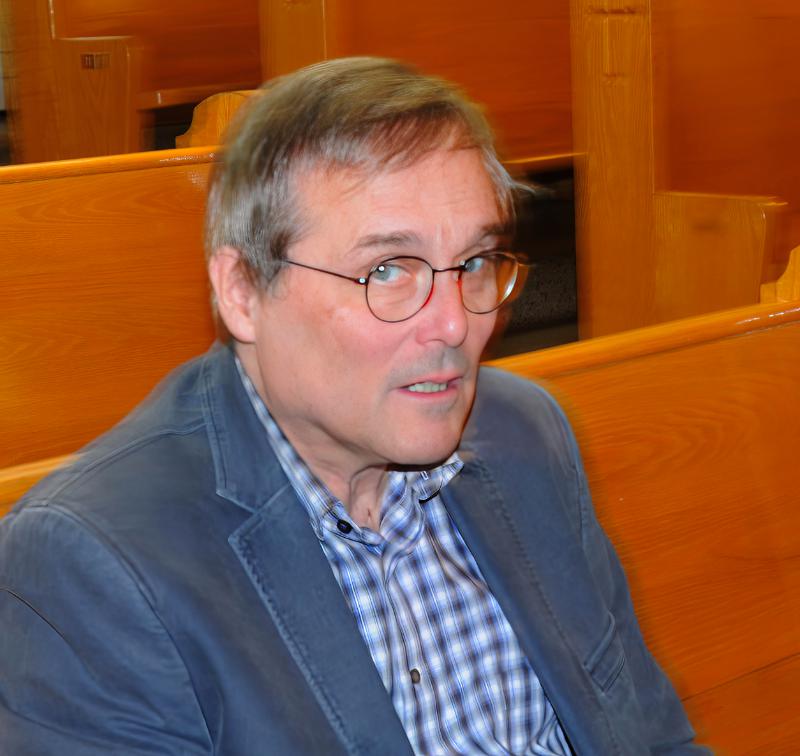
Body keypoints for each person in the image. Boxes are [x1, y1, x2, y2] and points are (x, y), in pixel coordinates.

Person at [0, 58, 707, 755]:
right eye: (387, 270)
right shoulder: (93, 566)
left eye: (473, 262)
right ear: (243, 291)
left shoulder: (525, 431)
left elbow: (652, 741)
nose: (456, 323)